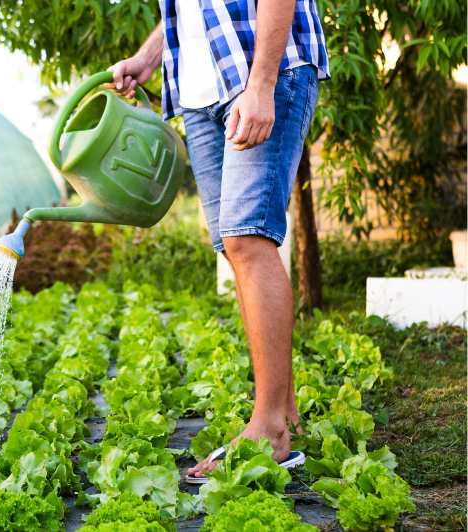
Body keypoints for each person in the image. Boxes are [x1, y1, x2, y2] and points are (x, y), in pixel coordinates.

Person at [109, 0, 329, 482]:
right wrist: (150, 56)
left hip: (258, 73)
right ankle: (284, 414)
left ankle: (270, 431)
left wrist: (262, 84)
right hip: (199, 90)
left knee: (248, 240)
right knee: (236, 248)